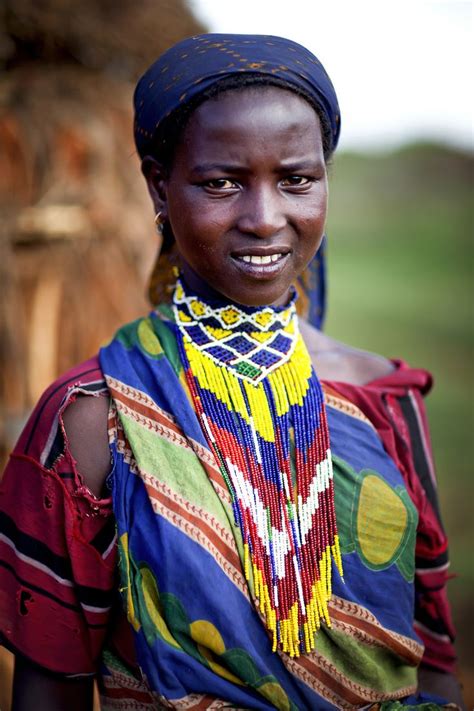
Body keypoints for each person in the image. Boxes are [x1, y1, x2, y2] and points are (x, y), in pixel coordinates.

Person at [0, 34, 464, 711]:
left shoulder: (386, 400)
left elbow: (432, 661)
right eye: (222, 182)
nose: (265, 218)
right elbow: (49, 687)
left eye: (297, 180)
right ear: (159, 186)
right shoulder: (88, 421)